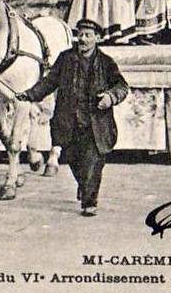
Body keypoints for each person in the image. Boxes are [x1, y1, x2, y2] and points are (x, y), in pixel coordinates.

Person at [18, 18, 129, 216]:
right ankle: (85, 185)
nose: (83, 39)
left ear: (97, 38)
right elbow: (49, 82)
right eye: (80, 35)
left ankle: (89, 201)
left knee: (93, 162)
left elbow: (122, 86)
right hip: (68, 122)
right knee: (72, 158)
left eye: (88, 35)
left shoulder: (106, 63)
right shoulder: (65, 59)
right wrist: (30, 94)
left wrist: (110, 98)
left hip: (96, 124)